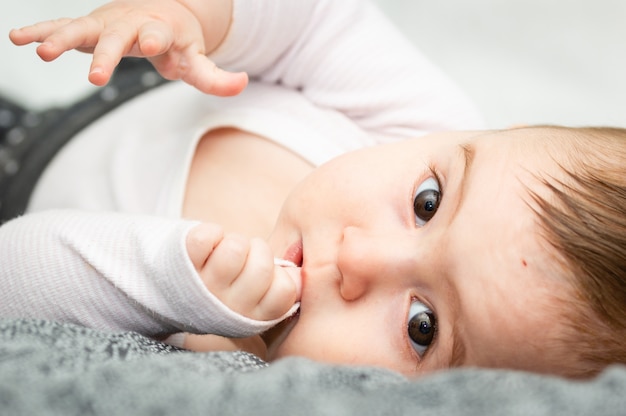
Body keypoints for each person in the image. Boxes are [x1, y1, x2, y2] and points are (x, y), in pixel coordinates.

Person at [1, 0, 625, 379]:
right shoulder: (430, 123)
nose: (357, 259)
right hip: (129, 97)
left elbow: (14, 275)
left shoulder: (226, 365)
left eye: (422, 327)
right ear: (501, 134)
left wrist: (170, 287)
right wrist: (201, 20)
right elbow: (317, 22)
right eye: (426, 205)